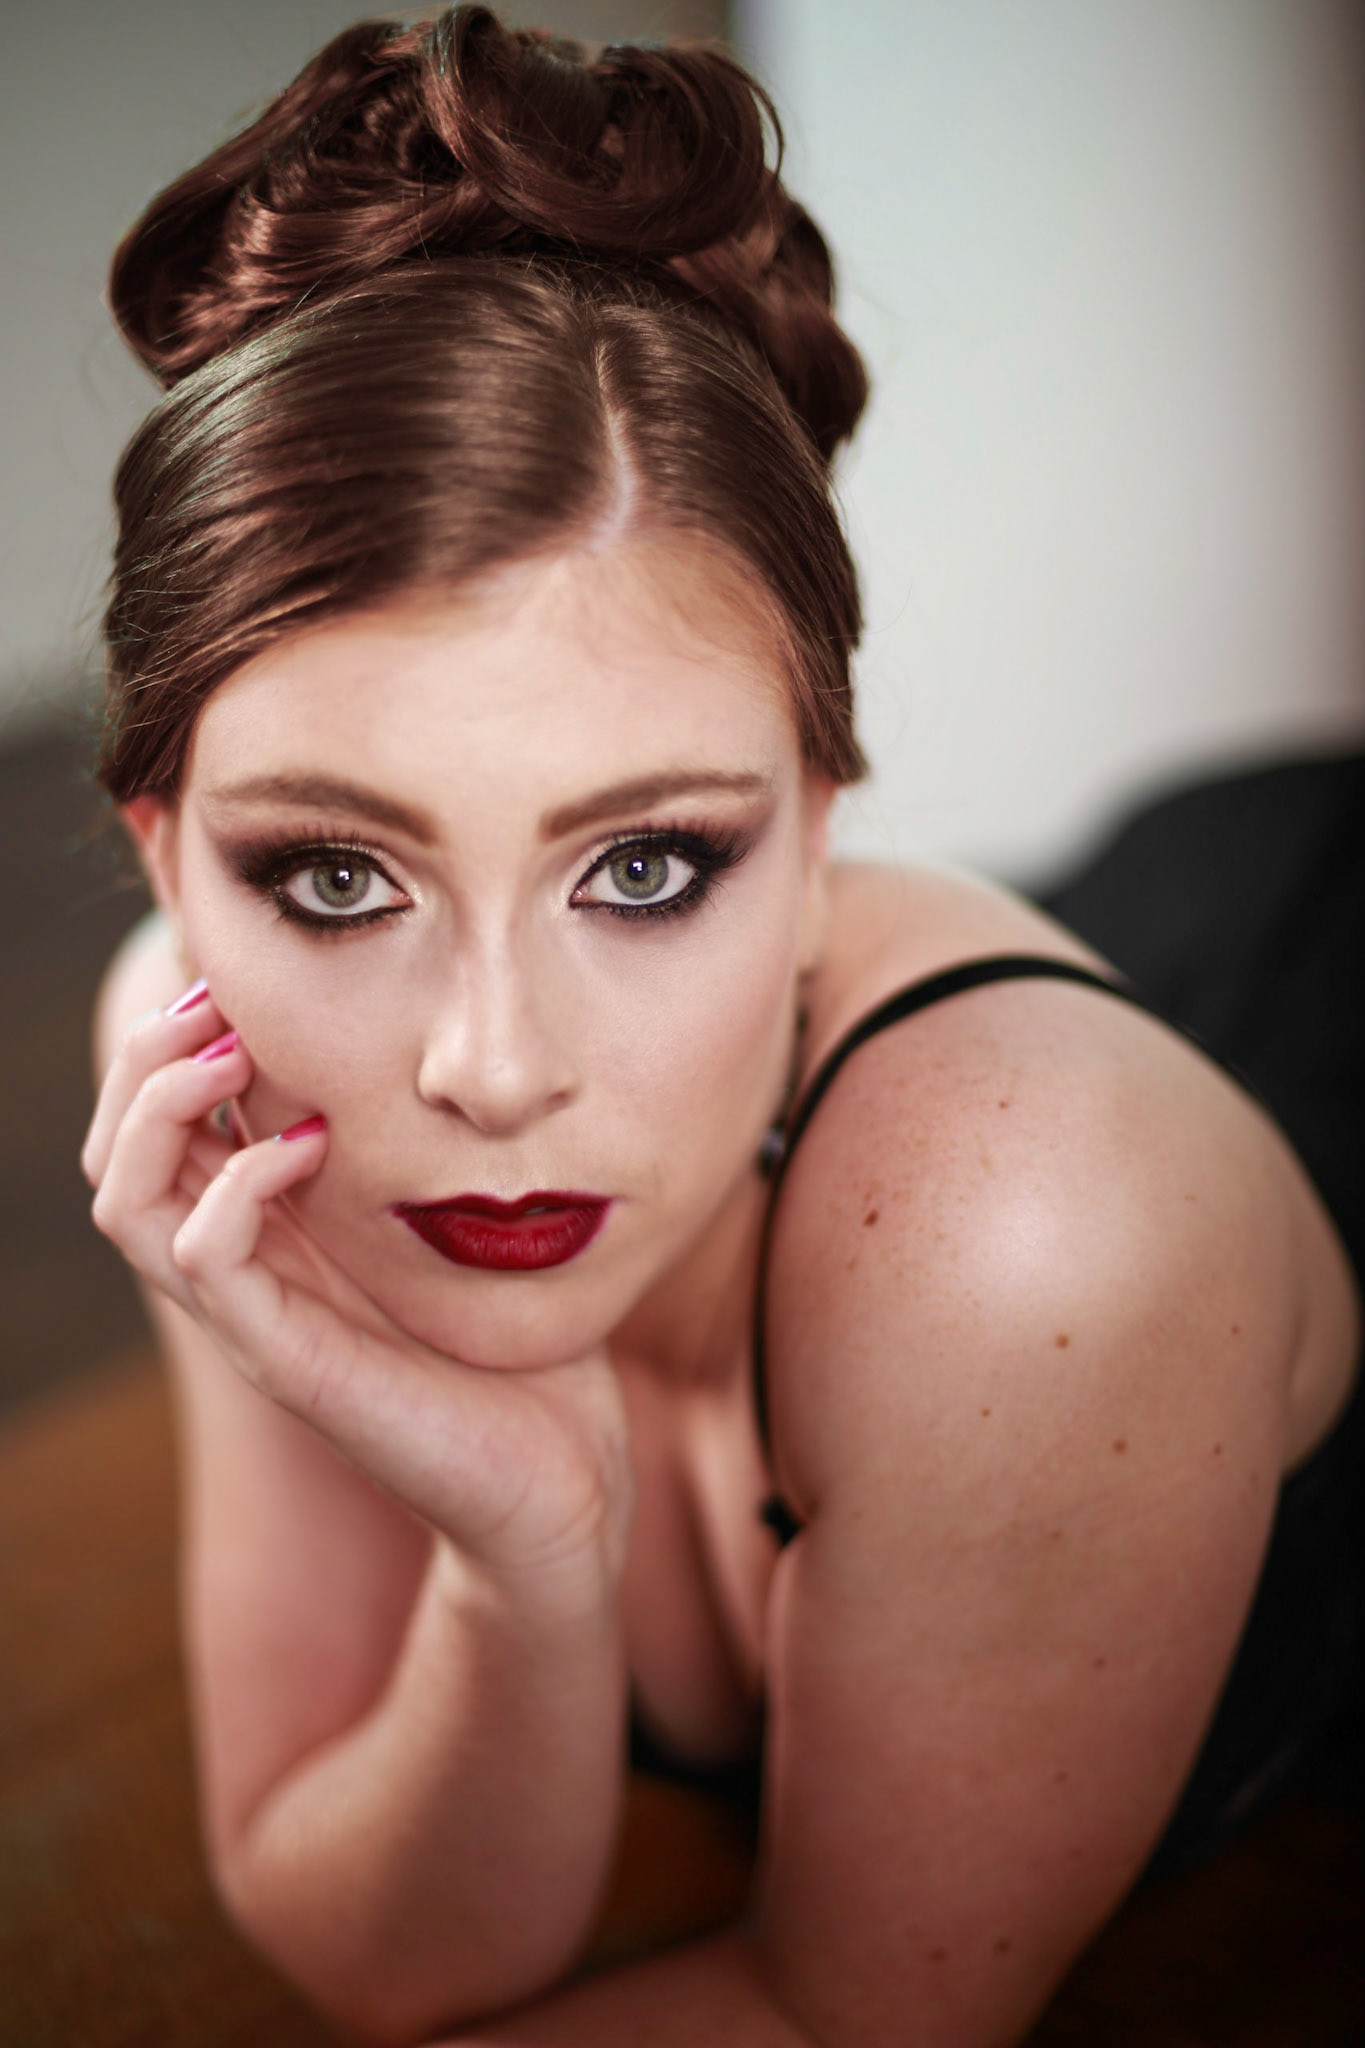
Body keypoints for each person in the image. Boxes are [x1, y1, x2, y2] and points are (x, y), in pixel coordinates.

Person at [81, 7, 1361, 2044]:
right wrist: (524, 1554)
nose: (492, 1068)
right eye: (333, 877)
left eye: (645, 862)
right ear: (166, 855)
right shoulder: (200, 1054)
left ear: (822, 821)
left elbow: (847, 2018)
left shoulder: (1038, 1241)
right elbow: (384, 1953)